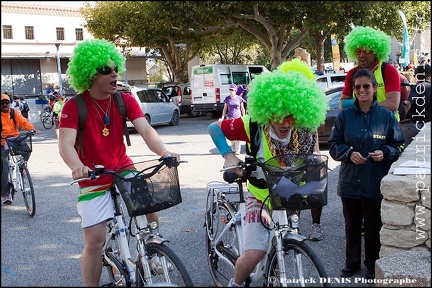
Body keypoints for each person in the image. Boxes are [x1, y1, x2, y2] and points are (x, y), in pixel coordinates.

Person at [58, 38, 179, 287]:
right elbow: (65, 144)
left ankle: (152, 245)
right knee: (95, 241)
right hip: (92, 177)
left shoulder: (125, 100)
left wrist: (164, 152)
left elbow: (146, 131)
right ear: (90, 74)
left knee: (149, 206)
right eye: (106, 70)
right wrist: (76, 167)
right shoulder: (74, 106)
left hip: (122, 167)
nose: (114, 74)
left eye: (115, 68)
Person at [208, 59, 328, 287]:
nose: (284, 122)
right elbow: (214, 128)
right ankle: (236, 284)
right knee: (256, 252)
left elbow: (311, 155)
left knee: (281, 244)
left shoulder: (303, 129)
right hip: (259, 193)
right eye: (277, 115)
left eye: (291, 115)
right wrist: (228, 155)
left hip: (286, 193)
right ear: (267, 110)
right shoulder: (251, 124)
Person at [328, 69, 405, 280]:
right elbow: (333, 146)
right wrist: (349, 153)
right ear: (353, 90)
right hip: (350, 181)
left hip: (375, 180)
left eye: (366, 86)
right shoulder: (344, 116)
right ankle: (351, 263)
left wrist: (385, 152)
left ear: (374, 88)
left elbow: (399, 145)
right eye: (358, 87)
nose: (362, 90)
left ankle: (372, 265)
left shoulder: (387, 116)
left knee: (373, 226)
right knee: (352, 226)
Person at [339, 26, 401, 121]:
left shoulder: (388, 70)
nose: (362, 55)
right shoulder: (352, 73)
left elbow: (393, 103)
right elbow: (342, 103)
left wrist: (365, 108)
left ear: (376, 52)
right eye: (358, 51)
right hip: (360, 127)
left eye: (367, 51)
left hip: (387, 127)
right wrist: (355, 102)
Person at [1, 93, 40, 204]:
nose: (4, 105)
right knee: (4, 168)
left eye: (6, 102)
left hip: (14, 139)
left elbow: (23, 122)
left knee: (27, 150)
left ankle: (22, 166)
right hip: (2, 142)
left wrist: (32, 129)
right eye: (2, 103)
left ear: (10, 103)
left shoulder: (14, 113)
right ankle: (6, 194)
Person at [220, 83, 246, 155]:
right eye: (230, 90)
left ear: (235, 90)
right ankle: (233, 147)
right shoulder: (227, 98)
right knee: (231, 134)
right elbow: (225, 108)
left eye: (232, 90)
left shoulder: (239, 98)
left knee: (237, 134)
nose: (231, 91)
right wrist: (222, 116)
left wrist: (244, 117)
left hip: (238, 117)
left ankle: (237, 150)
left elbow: (242, 108)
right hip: (230, 118)